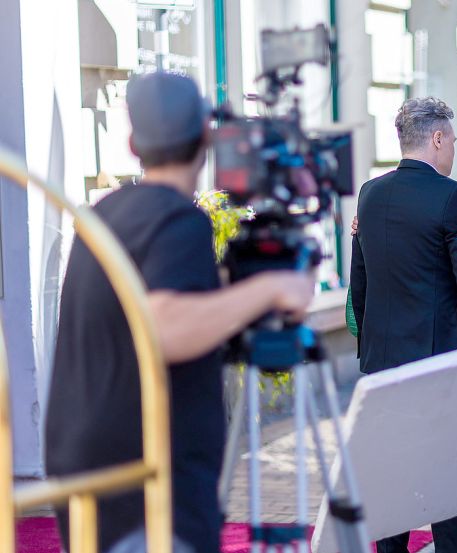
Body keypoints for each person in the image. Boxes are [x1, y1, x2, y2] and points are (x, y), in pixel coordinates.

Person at [44, 72, 317, 553]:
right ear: (206, 138)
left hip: (85, 471)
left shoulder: (105, 213)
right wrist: (273, 286)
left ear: (132, 143)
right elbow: (165, 326)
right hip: (144, 480)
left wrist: (232, 287)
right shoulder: (178, 217)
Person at [349, 97, 457, 553]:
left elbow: (360, 279)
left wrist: (368, 341)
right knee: (446, 473)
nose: (453, 148)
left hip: (382, 359)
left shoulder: (369, 193)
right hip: (438, 360)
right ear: (437, 139)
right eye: (452, 139)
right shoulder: (452, 196)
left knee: (391, 469)